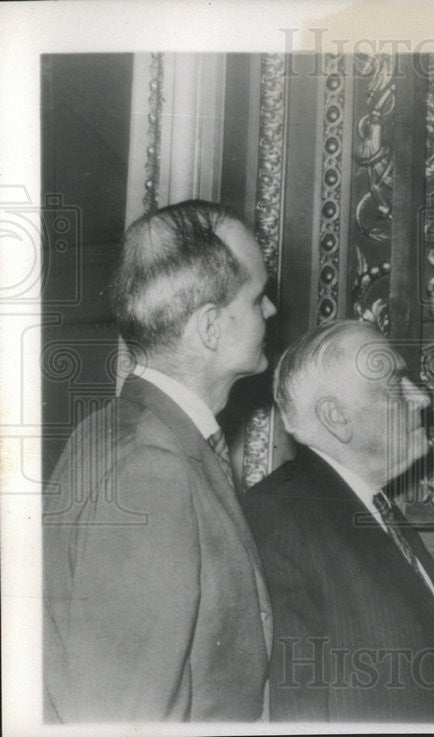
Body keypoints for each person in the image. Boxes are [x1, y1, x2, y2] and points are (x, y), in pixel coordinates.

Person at [43, 200, 277, 722]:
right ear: (211, 328)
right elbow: (126, 719)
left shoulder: (121, 431)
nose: (271, 312)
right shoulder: (152, 468)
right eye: (258, 298)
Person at [240, 321, 434, 723]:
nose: (422, 397)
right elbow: (296, 711)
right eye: (396, 384)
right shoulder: (280, 517)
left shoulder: (376, 510)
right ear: (336, 417)